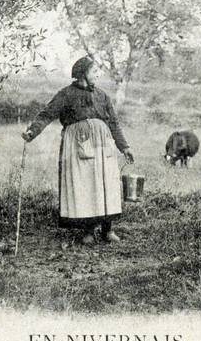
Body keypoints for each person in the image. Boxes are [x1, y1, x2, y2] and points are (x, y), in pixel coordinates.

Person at [21, 56, 135, 245]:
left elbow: (114, 123)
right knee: (86, 186)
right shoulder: (66, 94)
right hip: (78, 146)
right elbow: (47, 114)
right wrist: (32, 132)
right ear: (83, 73)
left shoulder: (102, 96)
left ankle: (108, 230)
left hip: (104, 146)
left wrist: (124, 147)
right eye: (94, 71)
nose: (97, 74)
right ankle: (88, 231)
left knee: (107, 184)